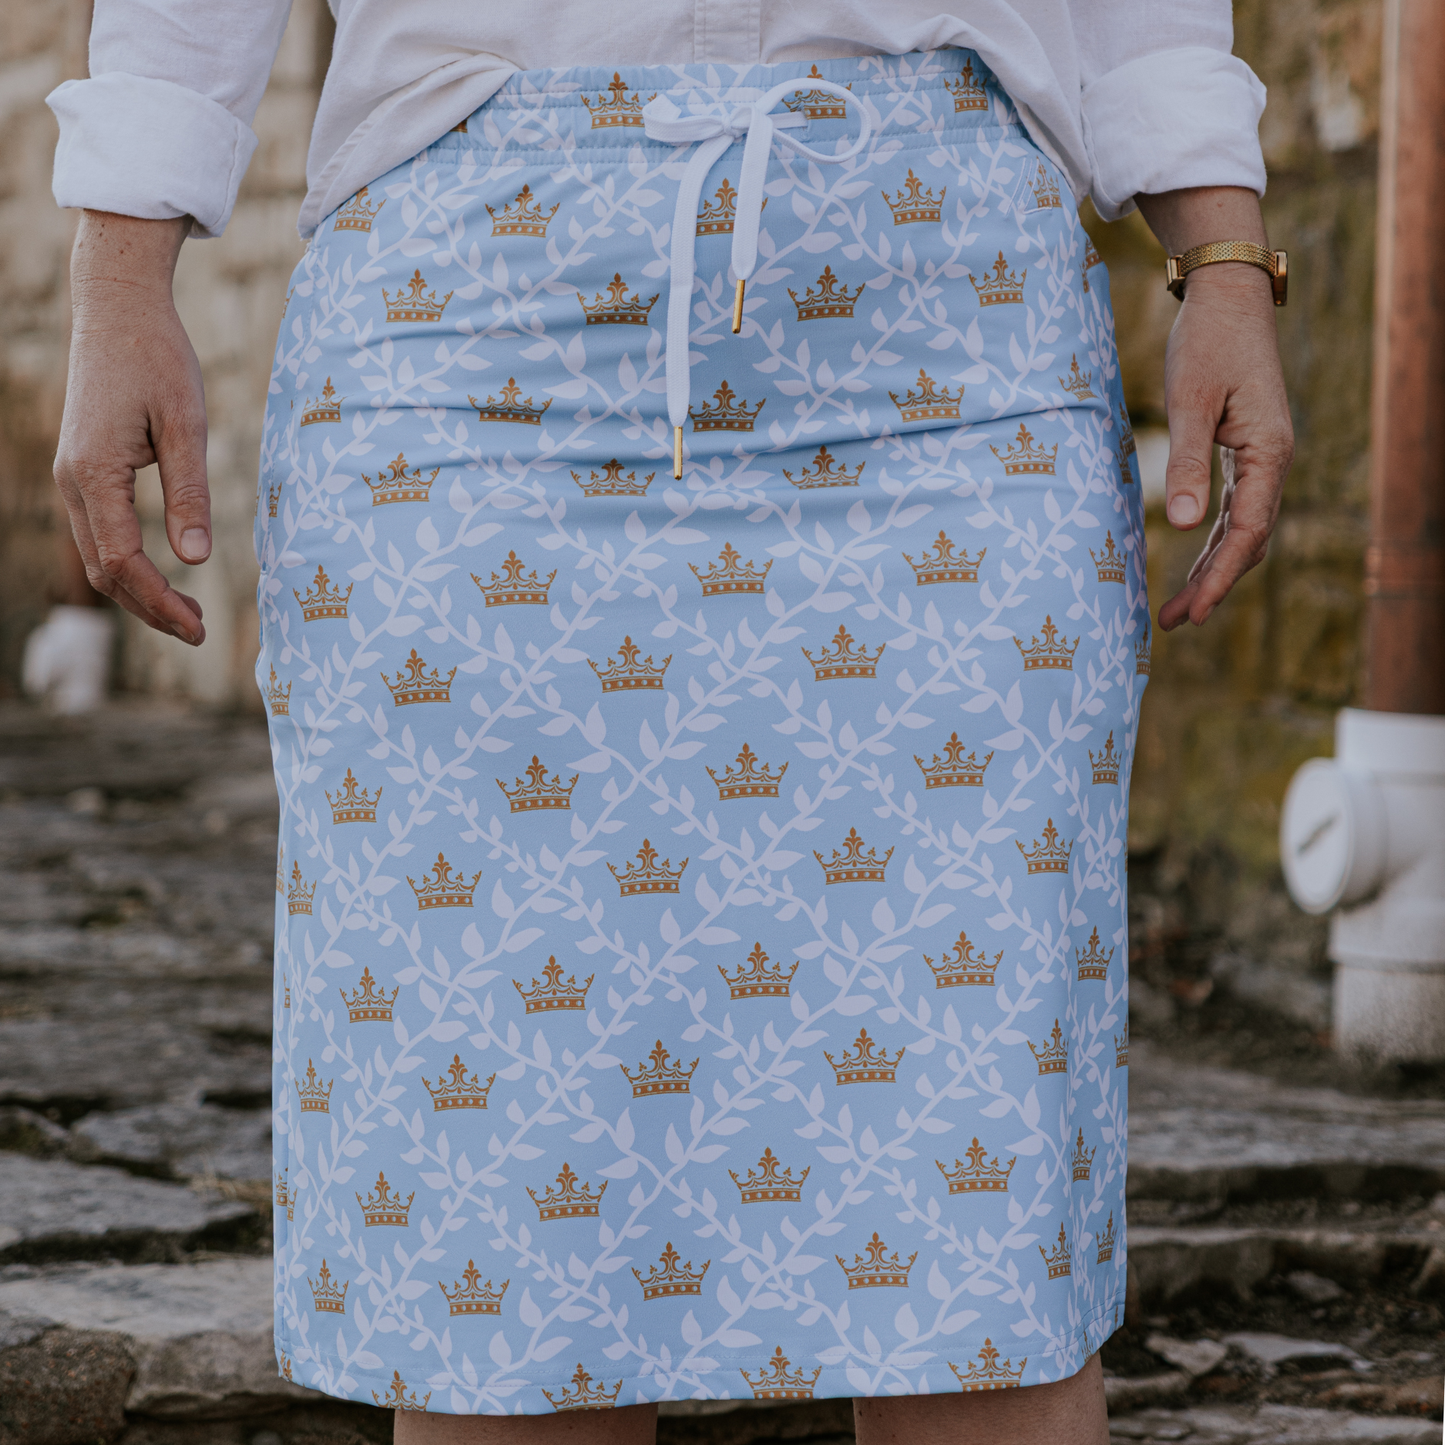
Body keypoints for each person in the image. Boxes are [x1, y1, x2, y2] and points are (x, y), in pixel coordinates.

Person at [46, 4, 1292, 1442]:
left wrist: (1223, 257)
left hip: (943, 332)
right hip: (473, 332)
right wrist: (119, 268)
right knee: (508, 1276)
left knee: (975, 1264)